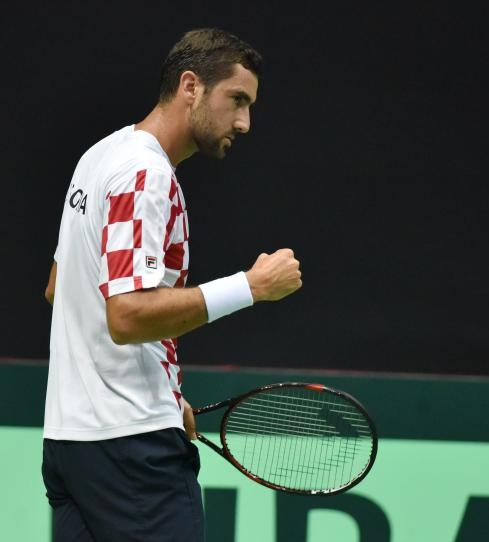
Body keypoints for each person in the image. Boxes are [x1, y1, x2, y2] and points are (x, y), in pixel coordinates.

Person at [41, 28, 302, 541]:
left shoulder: (99, 157)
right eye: (237, 100)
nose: (245, 123)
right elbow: (127, 315)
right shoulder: (145, 174)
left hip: (69, 444)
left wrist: (159, 389)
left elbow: (60, 287)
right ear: (191, 86)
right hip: (132, 452)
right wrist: (250, 287)